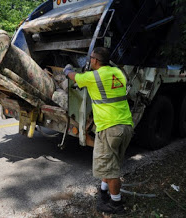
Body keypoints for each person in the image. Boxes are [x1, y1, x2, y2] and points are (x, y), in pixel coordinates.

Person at [64, 47, 133, 215]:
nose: (90, 60)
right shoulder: (118, 72)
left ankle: (116, 204)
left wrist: (67, 70)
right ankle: (103, 192)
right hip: (125, 126)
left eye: (91, 57)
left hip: (109, 128)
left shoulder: (93, 77)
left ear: (95, 60)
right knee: (110, 163)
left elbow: (74, 77)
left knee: (111, 169)